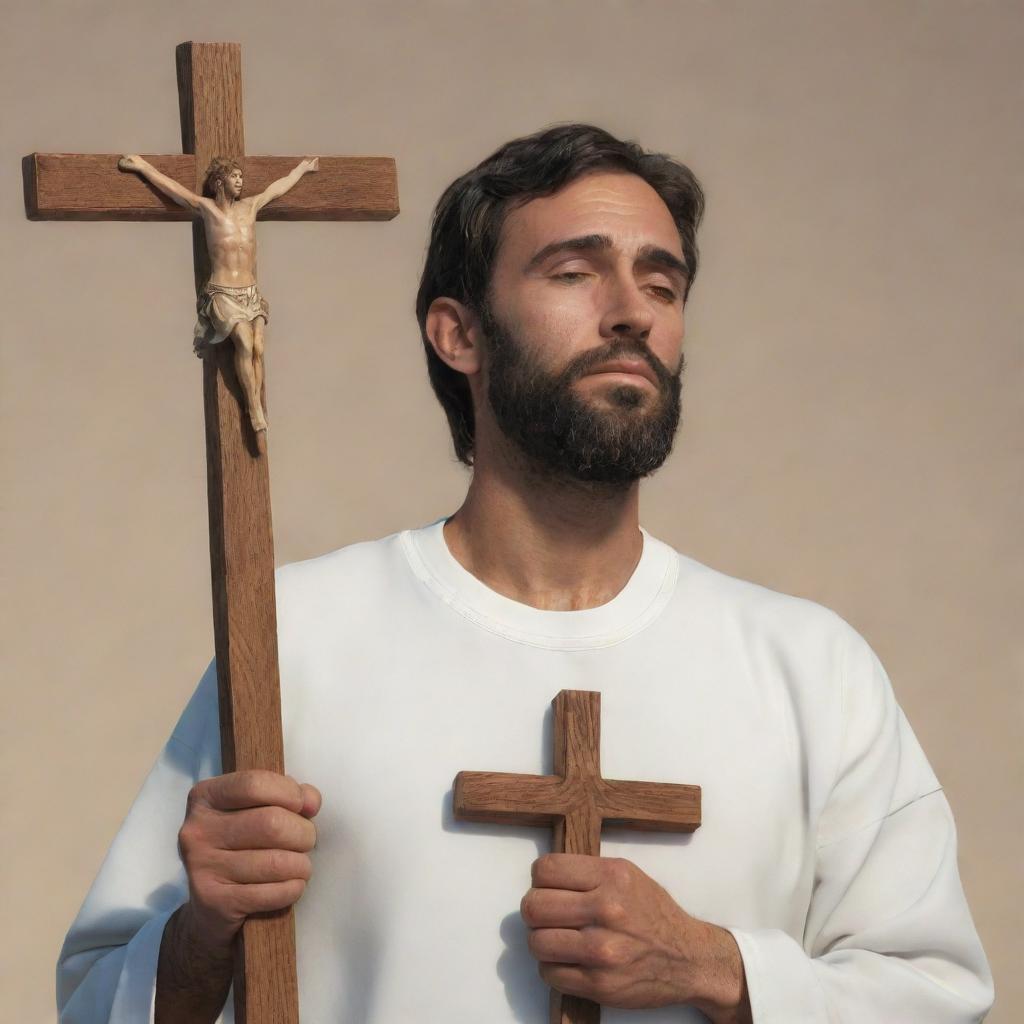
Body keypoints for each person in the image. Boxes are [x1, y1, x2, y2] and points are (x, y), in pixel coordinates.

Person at [60, 124, 994, 1023]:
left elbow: (937, 998)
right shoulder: (293, 636)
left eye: (661, 284)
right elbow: (99, 1002)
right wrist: (206, 929)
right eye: (575, 272)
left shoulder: (811, 669)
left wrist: (714, 968)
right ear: (458, 334)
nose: (631, 310)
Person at [117, 153, 320, 433]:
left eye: (241, 177)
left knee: (259, 348)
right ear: (219, 181)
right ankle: (254, 407)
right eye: (234, 177)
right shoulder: (206, 209)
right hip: (223, 293)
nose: (240, 181)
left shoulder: (250, 207)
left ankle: (255, 401)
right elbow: (172, 188)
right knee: (245, 344)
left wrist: (301, 169)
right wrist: (144, 167)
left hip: (250, 292)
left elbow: (278, 187)